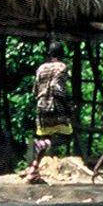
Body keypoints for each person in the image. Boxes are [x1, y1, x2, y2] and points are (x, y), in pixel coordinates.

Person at [28, 46, 73, 181]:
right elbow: (57, 88)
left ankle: (33, 169)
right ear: (62, 54)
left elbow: (35, 91)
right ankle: (37, 145)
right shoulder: (62, 67)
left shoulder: (41, 68)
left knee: (45, 135)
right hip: (56, 105)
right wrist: (67, 107)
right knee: (67, 135)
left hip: (41, 105)